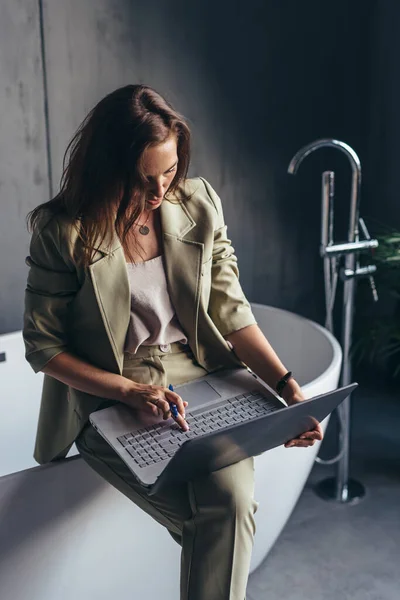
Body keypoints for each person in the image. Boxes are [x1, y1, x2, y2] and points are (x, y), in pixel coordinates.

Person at [23, 84, 323, 600]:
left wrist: (288, 387)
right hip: (113, 392)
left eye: (170, 170)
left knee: (225, 511)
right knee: (224, 523)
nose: (161, 190)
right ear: (107, 167)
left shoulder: (198, 203)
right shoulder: (62, 232)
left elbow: (232, 312)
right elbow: (43, 347)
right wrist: (128, 392)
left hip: (202, 377)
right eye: (144, 178)